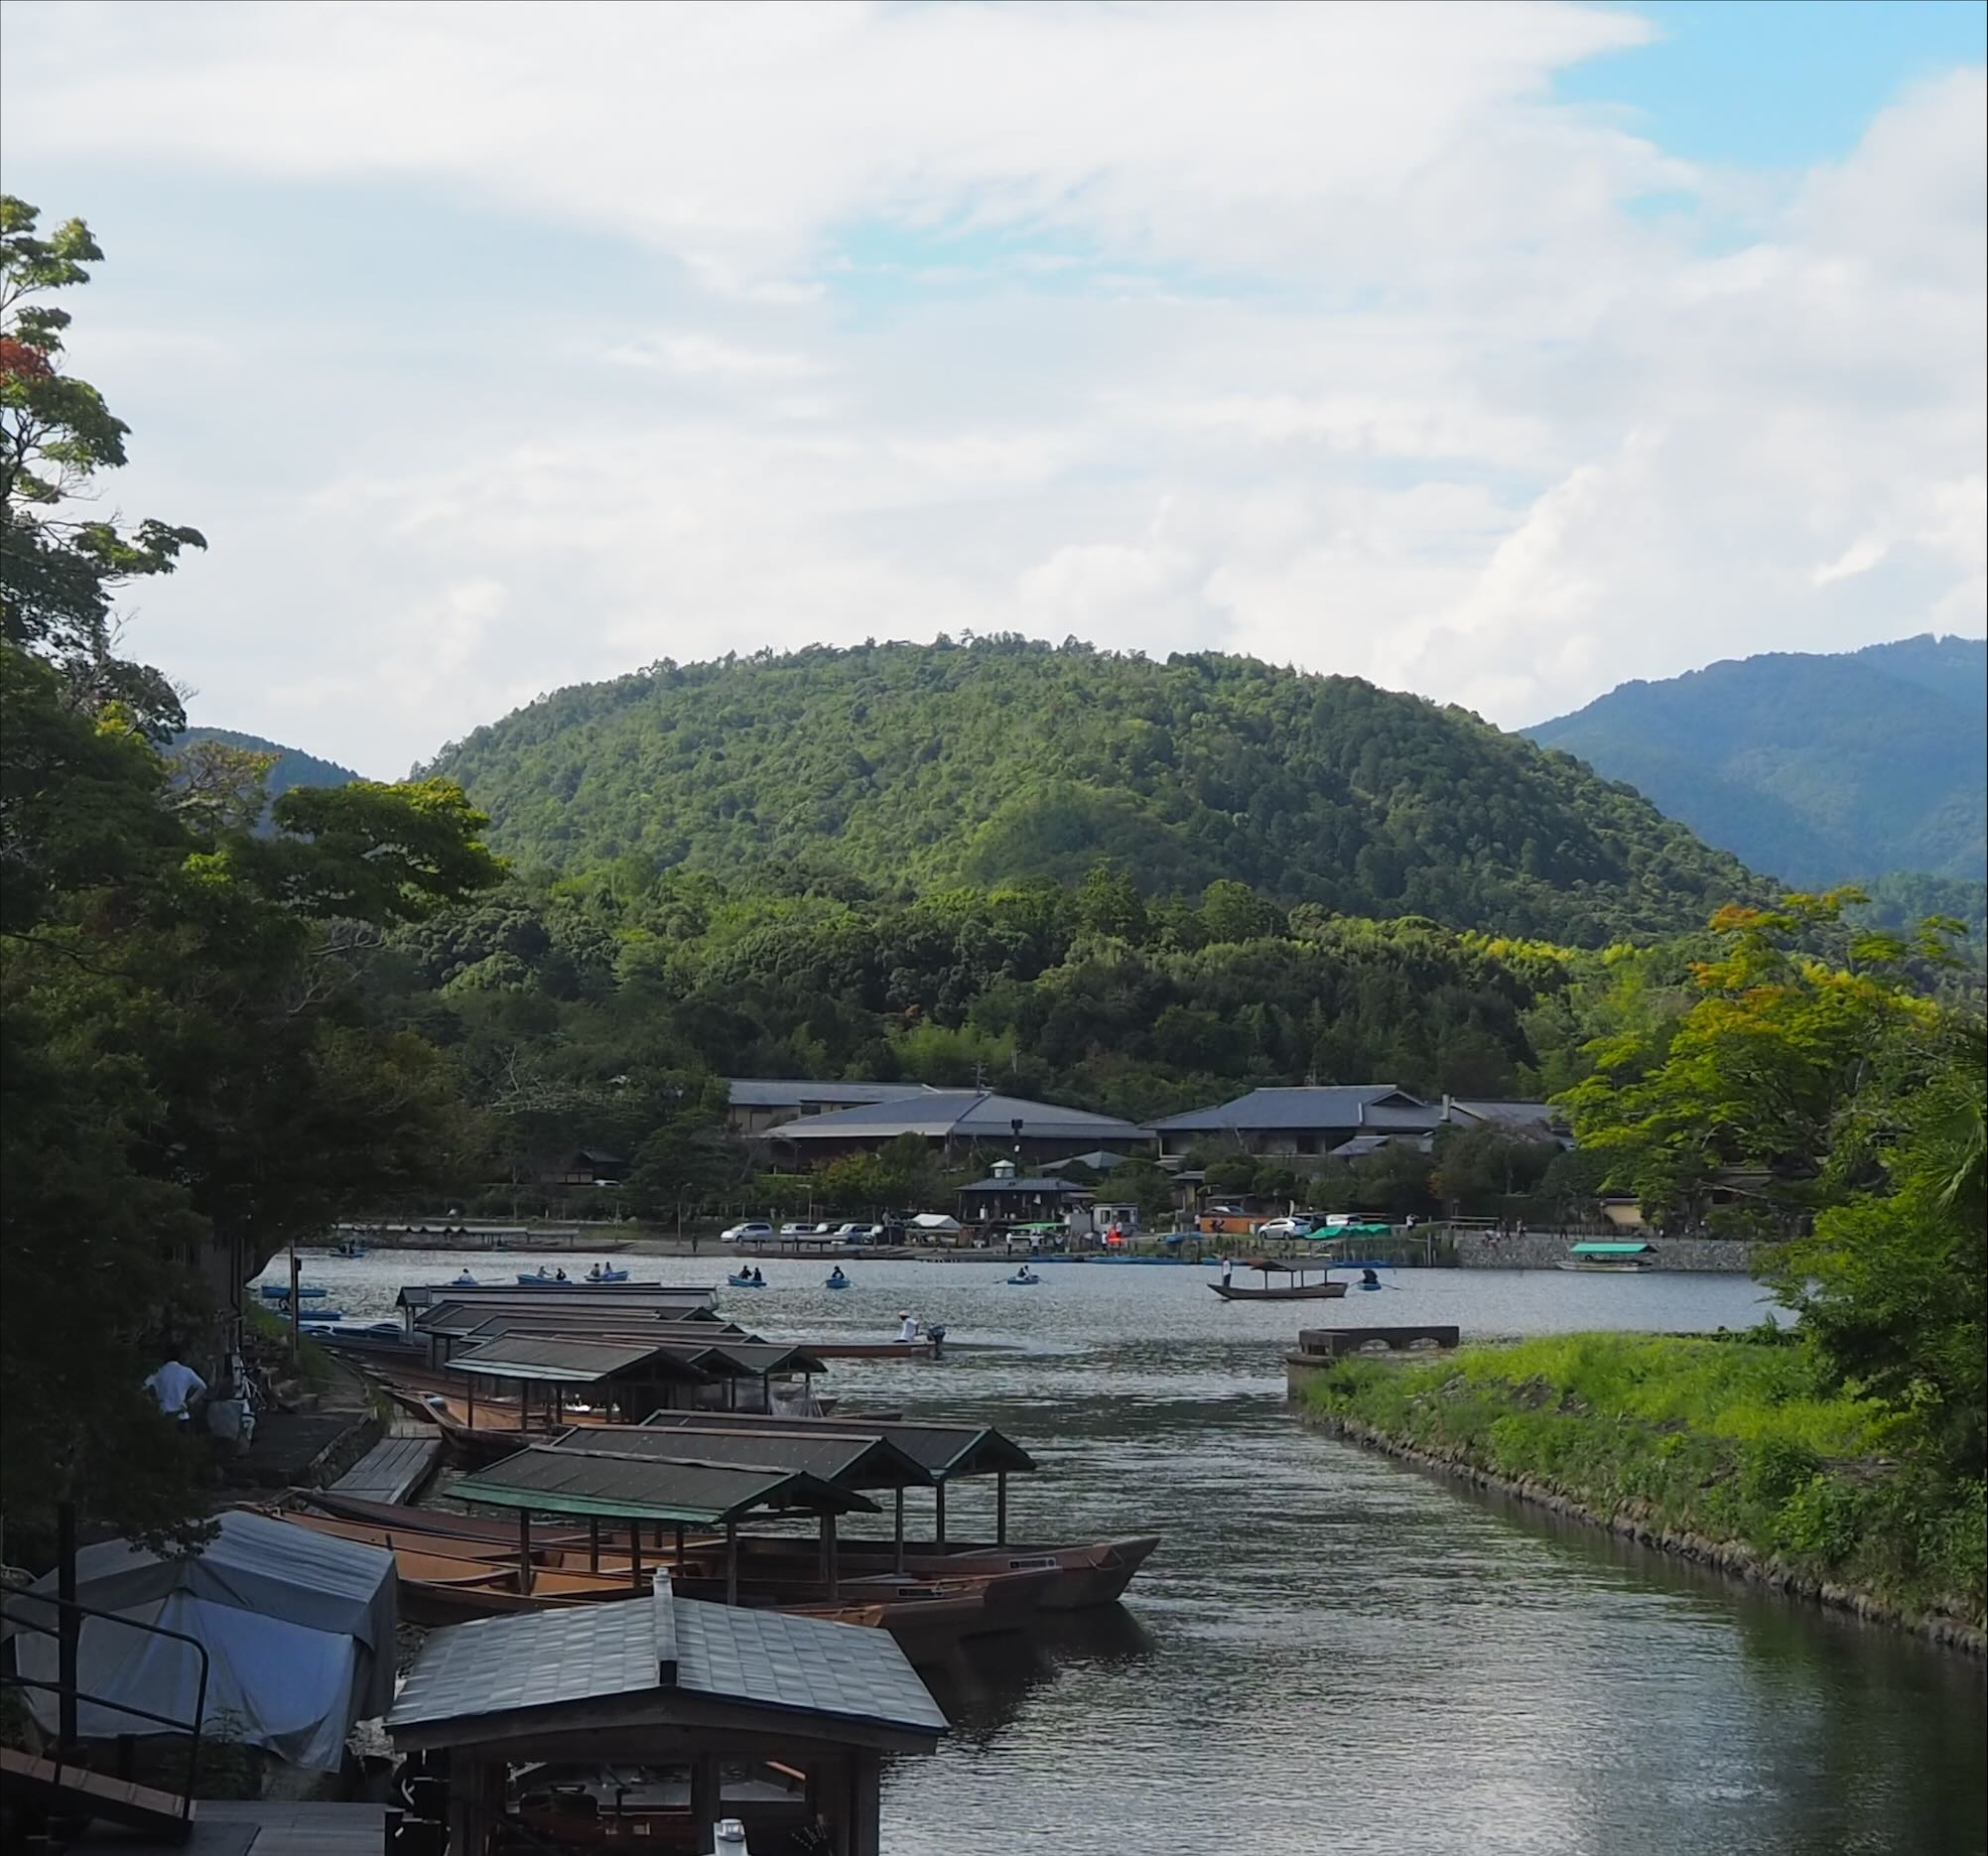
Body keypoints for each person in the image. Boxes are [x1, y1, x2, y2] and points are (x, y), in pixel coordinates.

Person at [146, 1354, 206, 1425]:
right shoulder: (186, 1371)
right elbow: (203, 1386)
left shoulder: (159, 1370)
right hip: (181, 1414)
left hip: (163, 1414)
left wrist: (151, 1402)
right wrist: (190, 1401)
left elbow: (143, 1386)